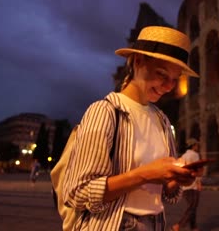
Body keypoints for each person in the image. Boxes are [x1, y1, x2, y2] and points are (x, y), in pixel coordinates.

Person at [62, 26, 200, 230]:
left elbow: (166, 195)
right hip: (115, 224)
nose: (169, 86)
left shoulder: (162, 121)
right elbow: (78, 193)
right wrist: (145, 174)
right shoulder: (105, 111)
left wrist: (178, 179)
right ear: (138, 62)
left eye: (174, 79)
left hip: (156, 223)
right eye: (161, 74)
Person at [171, 139, 203, 231]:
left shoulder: (184, 156)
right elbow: (196, 170)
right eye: (196, 145)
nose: (197, 147)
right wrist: (199, 182)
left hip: (184, 186)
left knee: (192, 207)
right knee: (192, 206)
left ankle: (194, 227)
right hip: (193, 185)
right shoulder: (195, 155)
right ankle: (178, 226)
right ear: (193, 146)